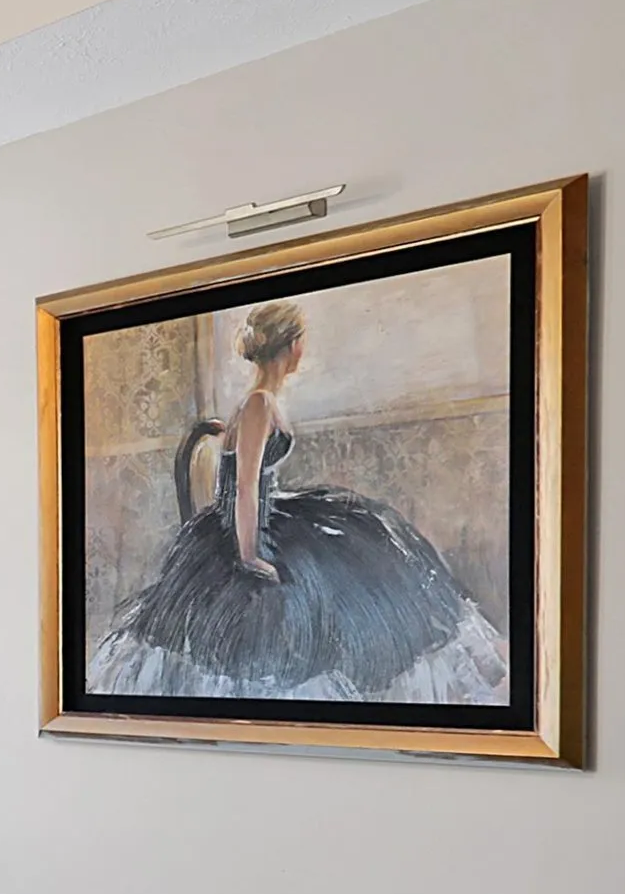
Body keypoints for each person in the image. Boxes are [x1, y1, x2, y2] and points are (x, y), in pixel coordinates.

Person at [90, 300, 507, 702]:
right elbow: (245, 486)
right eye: (301, 340)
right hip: (247, 527)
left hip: (267, 512)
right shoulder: (258, 403)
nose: (302, 349)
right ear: (291, 345)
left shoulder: (264, 401)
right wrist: (250, 555)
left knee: (368, 540)